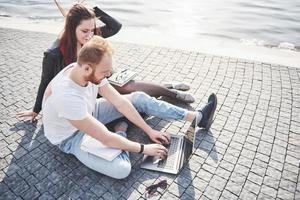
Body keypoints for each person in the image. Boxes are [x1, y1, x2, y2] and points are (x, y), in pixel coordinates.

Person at [42, 35, 217, 179]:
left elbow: (120, 102)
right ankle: (121, 128)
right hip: (71, 137)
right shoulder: (67, 95)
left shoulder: (82, 69)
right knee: (121, 169)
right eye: (105, 72)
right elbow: (106, 138)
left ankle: (197, 117)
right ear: (87, 68)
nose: (108, 75)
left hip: (89, 111)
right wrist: (143, 148)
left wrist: (149, 131)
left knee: (138, 98)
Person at [16, 2, 194, 122]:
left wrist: (93, 10)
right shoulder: (54, 53)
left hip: (103, 81)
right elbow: (45, 81)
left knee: (129, 88)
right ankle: (168, 87)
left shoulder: (91, 35)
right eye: (85, 30)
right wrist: (36, 110)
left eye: (92, 29)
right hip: (87, 92)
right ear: (71, 28)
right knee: (132, 99)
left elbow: (115, 26)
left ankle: (173, 93)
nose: (90, 35)